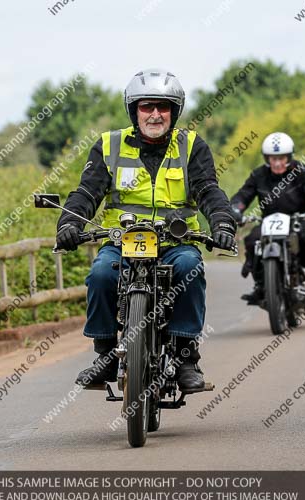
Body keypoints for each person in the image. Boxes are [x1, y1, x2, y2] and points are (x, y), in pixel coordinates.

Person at [54, 68, 237, 391]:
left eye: (163, 107)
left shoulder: (191, 146)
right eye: (146, 106)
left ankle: (185, 358)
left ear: (175, 112)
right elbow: (87, 193)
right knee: (101, 274)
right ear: (133, 110)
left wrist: (222, 222)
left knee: (190, 268)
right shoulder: (108, 145)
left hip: (175, 242)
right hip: (122, 242)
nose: (155, 114)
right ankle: (105, 354)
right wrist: (70, 222)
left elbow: (208, 190)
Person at [230, 132, 305, 303]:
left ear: (289, 157)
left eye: (281, 158)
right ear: (266, 158)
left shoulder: (300, 171)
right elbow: (243, 195)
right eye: (272, 158)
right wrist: (235, 209)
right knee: (252, 239)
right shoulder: (258, 175)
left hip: (296, 219)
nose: (277, 163)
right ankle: (261, 284)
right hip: (268, 221)